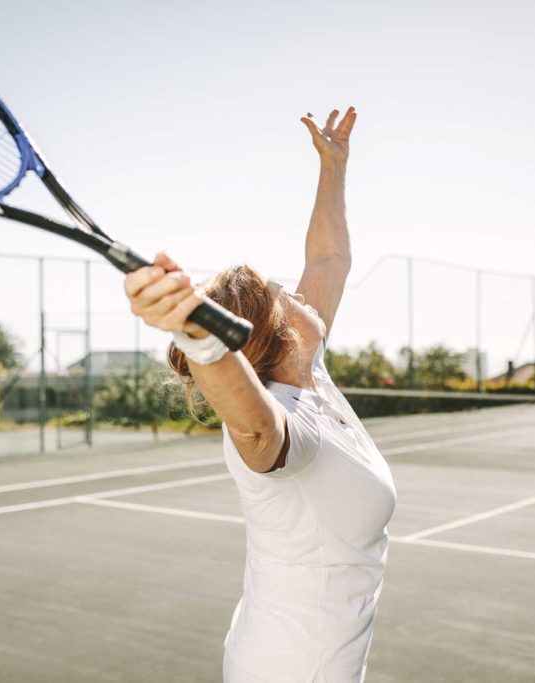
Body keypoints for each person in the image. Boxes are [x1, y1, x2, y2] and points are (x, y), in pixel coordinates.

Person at [125, 107, 396, 682]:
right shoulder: (285, 422)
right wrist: (199, 337)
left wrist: (333, 167)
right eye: (282, 293)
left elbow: (328, 258)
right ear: (276, 333)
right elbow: (254, 428)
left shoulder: (310, 376)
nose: (299, 292)